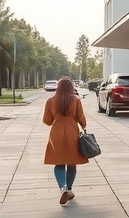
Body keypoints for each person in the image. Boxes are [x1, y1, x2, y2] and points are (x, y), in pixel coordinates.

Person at [43, 77, 88, 206]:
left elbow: (47, 121)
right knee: (72, 162)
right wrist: (83, 125)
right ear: (71, 87)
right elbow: (81, 118)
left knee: (59, 163)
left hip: (56, 133)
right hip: (72, 132)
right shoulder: (76, 100)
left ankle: (62, 187)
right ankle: (69, 189)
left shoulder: (51, 101)